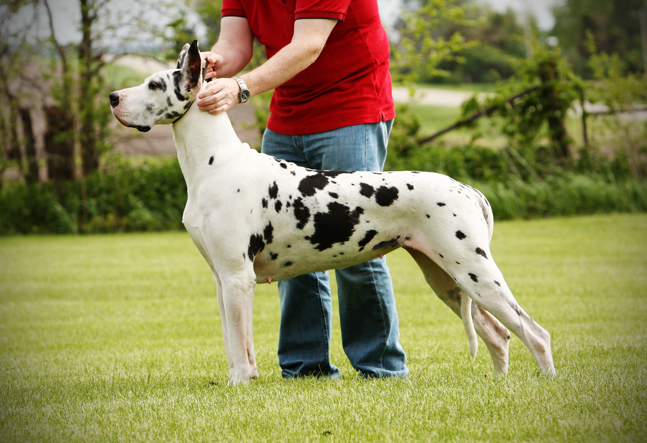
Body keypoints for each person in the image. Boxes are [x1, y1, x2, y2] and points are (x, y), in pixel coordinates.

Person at [196, 0, 408, 379]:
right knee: (285, 247)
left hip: (352, 106)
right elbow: (235, 46)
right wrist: (215, 63)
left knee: (360, 245)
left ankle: (380, 367)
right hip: (288, 117)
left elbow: (308, 44)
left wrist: (241, 87)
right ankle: (306, 368)